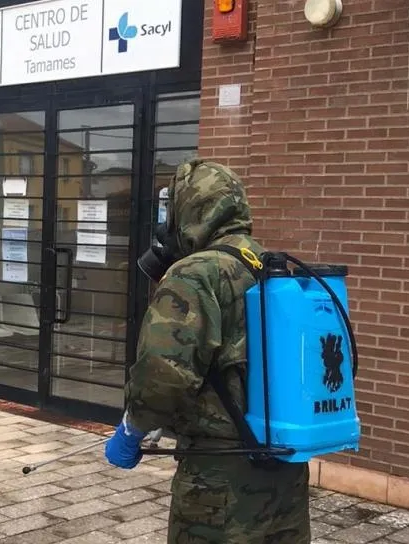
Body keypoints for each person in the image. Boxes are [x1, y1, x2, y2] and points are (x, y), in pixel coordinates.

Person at [104, 159, 311, 543]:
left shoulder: (196, 273)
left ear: (190, 211)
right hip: (283, 468)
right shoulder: (269, 266)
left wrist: (132, 430)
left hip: (219, 479)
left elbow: (163, 374)